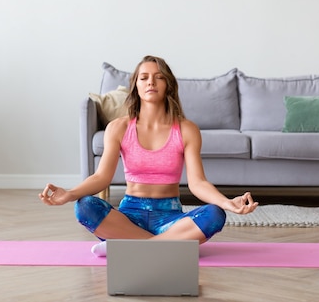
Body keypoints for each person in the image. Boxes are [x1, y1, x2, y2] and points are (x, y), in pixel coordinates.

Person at [39, 55, 259, 257]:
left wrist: (227, 203)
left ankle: (127, 246)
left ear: (168, 85)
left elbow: (198, 183)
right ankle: (165, 246)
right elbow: (101, 178)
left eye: (158, 77)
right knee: (85, 206)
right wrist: (69, 194)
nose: (150, 82)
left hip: (170, 216)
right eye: (144, 78)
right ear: (136, 85)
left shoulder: (186, 129)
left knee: (215, 215)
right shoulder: (118, 128)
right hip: (129, 217)